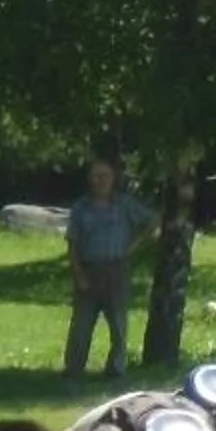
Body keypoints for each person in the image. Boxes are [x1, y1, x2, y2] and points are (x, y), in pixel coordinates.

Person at [61, 158, 156, 381]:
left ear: (113, 179)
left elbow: (152, 222)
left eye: (105, 176)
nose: (100, 181)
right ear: (89, 179)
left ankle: (116, 370)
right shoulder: (80, 208)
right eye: (96, 176)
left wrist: (133, 246)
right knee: (81, 325)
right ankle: (74, 370)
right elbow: (72, 245)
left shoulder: (124, 205)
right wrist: (79, 274)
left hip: (116, 269)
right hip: (89, 269)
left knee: (118, 324)